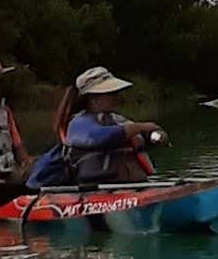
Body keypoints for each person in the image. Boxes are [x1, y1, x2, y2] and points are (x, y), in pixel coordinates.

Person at [28, 67, 162, 188]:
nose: (117, 97)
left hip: (124, 186)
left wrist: (155, 136)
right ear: (93, 100)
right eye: (110, 93)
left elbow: (139, 137)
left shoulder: (116, 119)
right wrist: (142, 126)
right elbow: (98, 137)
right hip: (95, 188)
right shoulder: (78, 123)